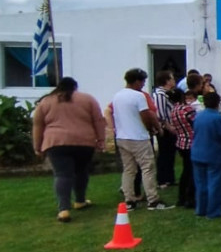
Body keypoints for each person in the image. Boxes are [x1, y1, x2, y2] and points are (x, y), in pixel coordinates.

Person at [32, 77, 106, 222]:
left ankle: (63, 209)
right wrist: (101, 139)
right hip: (84, 141)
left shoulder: (46, 101)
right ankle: (80, 200)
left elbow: (38, 125)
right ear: (75, 87)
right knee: (81, 171)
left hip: (56, 142)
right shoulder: (87, 99)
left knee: (62, 175)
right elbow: (98, 120)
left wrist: (37, 146)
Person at [111, 68, 173, 211]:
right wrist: (153, 128)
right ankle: (153, 199)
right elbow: (146, 114)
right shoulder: (138, 96)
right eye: (143, 82)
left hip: (122, 136)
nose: (143, 85)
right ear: (137, 81)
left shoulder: (117, 96)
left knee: (129, 169)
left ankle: (129, 199)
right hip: (138, 137)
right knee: (147, 168)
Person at [191, 92, 221, 219]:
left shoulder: (198, 116)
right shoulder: (218, 118)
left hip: (197, 153)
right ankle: (213, 211)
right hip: (214, 154)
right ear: (217, 103)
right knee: (214, 183)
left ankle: (201, 209)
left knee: (200, 183)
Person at [169, 88, 196, 209]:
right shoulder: (186, 109)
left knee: (186, 171)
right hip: (191, 142)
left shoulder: (174, 111)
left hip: (181, 143)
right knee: (192, 172)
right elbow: (196, 122)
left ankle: (182, 196)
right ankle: (190, 198)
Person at [152, 70, 177, 189]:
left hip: (171, 127)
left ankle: (169, 178)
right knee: (164, 154)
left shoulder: (169, 93)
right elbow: (160, 114)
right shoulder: (160, 95)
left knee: (171, 154)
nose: (174, 81)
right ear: (166, 81)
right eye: (172, 78)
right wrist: (168, 126)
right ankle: (161, 179)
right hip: (165, 128)